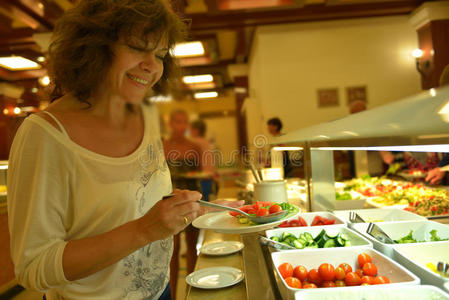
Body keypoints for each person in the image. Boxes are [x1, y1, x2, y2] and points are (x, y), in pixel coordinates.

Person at [7, 1, 242, 299]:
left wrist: (197, 210)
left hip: (161, 292)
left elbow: (139, 202)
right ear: (93, 46)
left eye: (159, 54)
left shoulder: (145, 115)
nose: (153, 65)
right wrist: (144, 229)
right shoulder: (46, 135)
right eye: (136, 47)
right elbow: (33, 267)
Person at [163, 110, 203, 299]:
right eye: (178, 122)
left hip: (192, 198)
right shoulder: (163, 146)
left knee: (192, 248)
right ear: (171, 124)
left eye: (184, 122)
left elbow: (200, 173)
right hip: (170, 201)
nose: (182, 126)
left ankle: (191, 293)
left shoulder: (194, 147)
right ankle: (172, 296)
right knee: (172, 250)